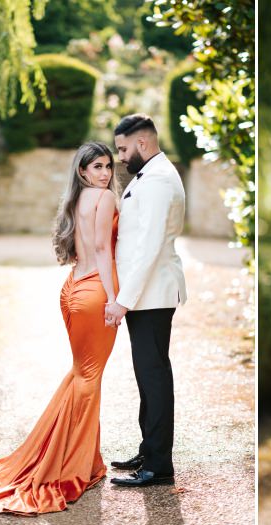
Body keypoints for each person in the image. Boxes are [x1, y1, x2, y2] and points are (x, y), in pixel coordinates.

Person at [0, 142, 121, 514]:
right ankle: (70, 469)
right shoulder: (104, 200)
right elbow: (104, 250)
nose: (105, 173)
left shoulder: (77, 201)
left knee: (81, 375)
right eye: (97, 167)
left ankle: (82, 460)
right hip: (94, 292)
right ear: (82, 171)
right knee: (89, 379)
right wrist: (113, 300)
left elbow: (78, 249)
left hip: (72, 289)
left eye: (108, 166)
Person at [105, 114, 187, 487]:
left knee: (153, 376)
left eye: (123, 149)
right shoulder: (148, 174)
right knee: (147, 375)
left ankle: (158, 465)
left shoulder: (157, 180)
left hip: (151, 295)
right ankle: (149, 448)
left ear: (142, 143)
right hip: (147, 294)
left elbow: (149, 247)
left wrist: (123, 299)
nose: (119, 157)